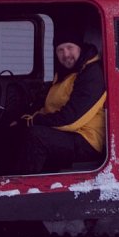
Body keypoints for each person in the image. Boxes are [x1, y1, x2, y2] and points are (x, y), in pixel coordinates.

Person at [9, 25, 106, 174]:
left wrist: (33, 121)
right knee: (12, 129)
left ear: (79, 48)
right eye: (60, 50)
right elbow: (48, 104)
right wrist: (25, 117)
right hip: (69, 133)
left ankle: (21, 189)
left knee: (36, 136)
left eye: (69, 47)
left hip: (86, 139)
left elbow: (71, 120)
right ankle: (2, 178)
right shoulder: (66, 72)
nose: (65, 54)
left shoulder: (91, 75)